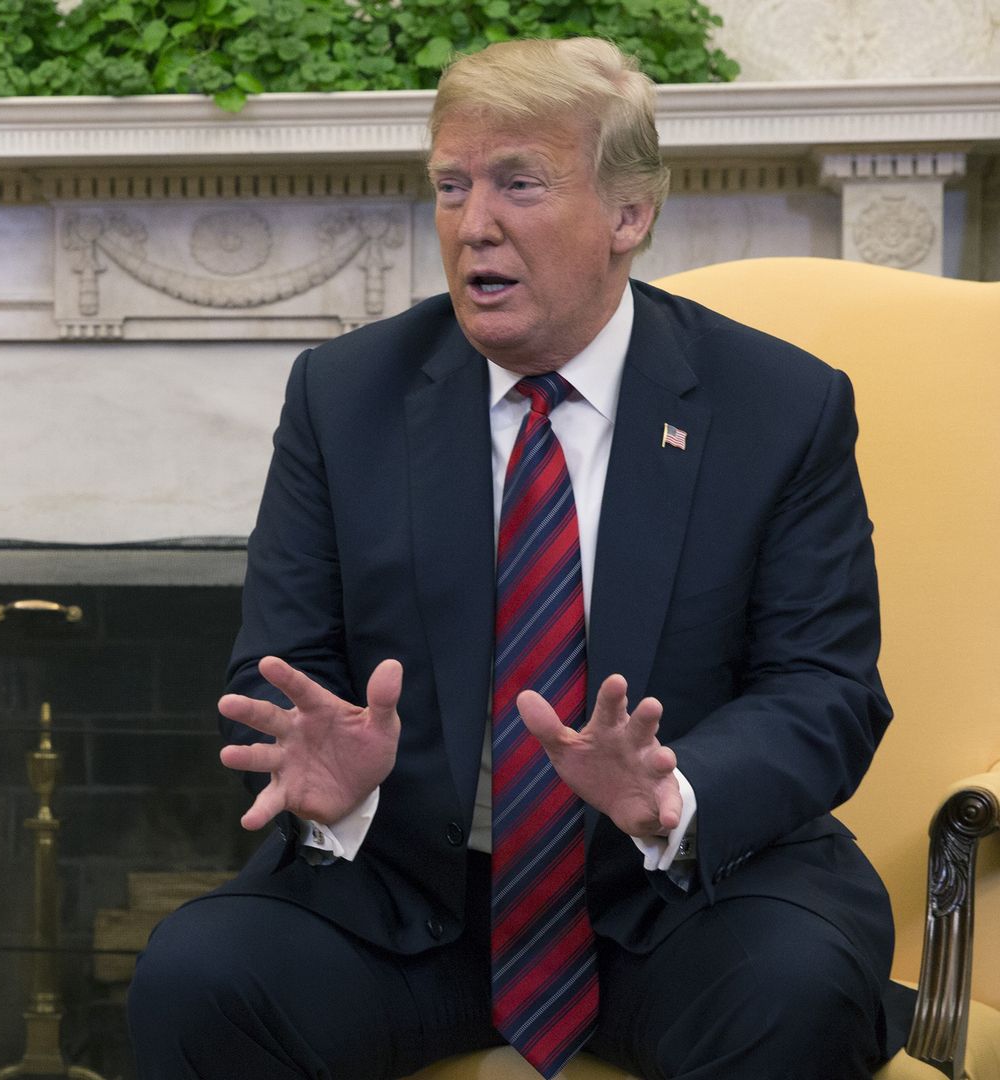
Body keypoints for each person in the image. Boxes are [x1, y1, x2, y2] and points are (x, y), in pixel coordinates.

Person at [128, 38, 911, 1080]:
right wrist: (342, 776)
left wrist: (673, 794)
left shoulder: (777, 406)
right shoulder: (344, 397)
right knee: (199, 975)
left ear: (629, 214)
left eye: (518, 184)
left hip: (684, 895)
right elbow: (280, 668)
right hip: (416, 899)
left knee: (798, 991)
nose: (473, 224)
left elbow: (825, 690)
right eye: (450, 186)